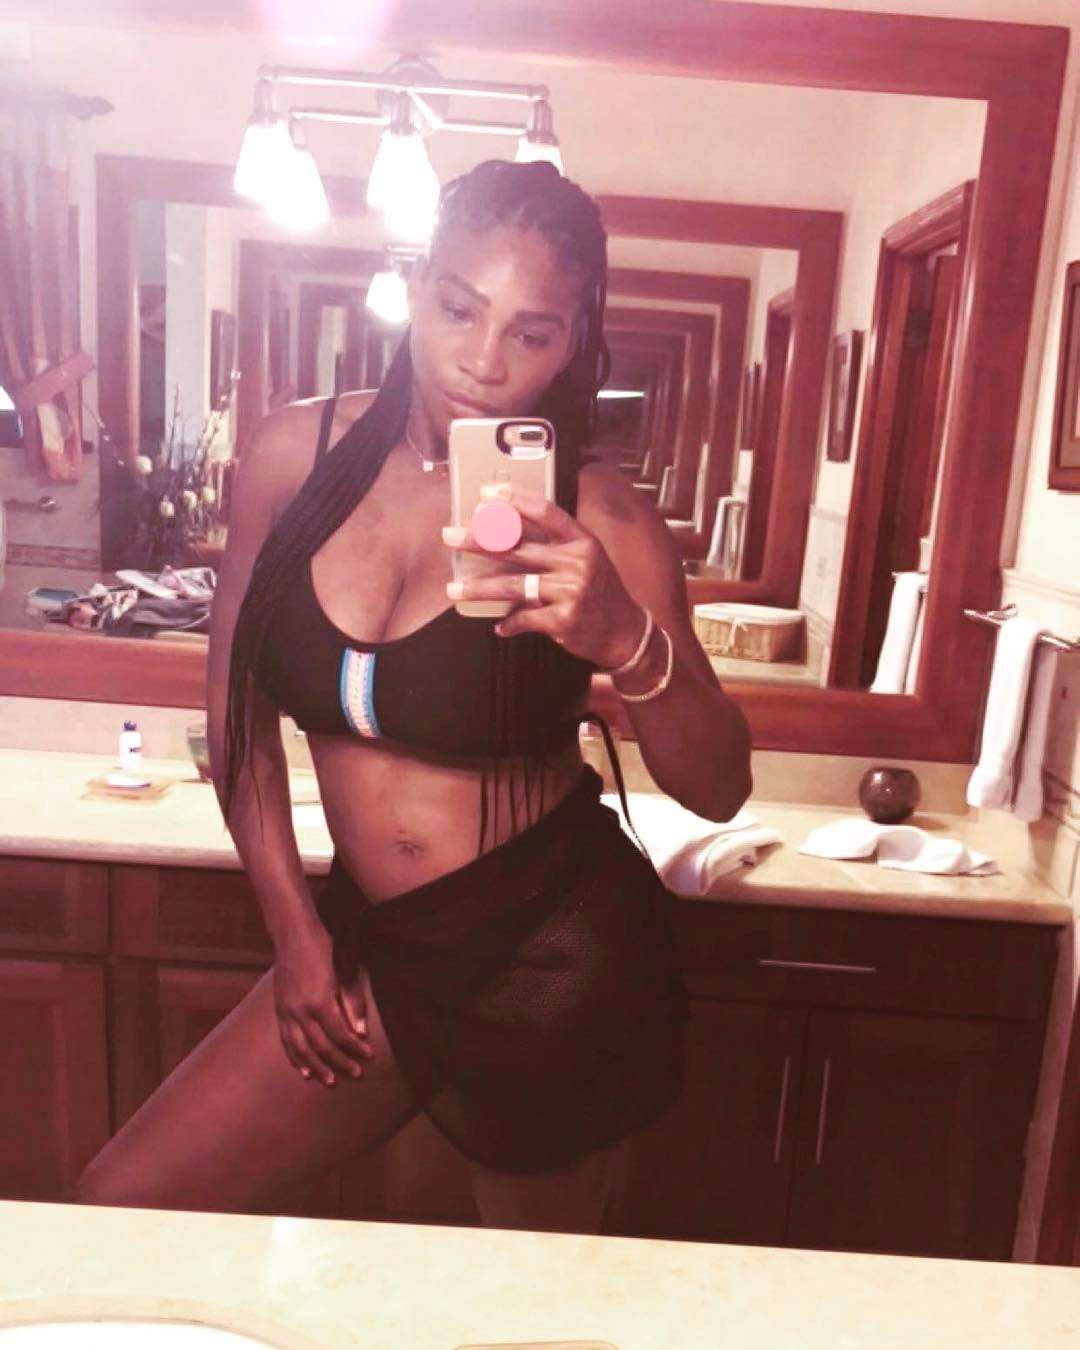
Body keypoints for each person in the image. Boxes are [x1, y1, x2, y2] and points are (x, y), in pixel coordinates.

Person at [73, 159, 751, 1233]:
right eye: (459, 310)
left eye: (532, 333)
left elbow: (717, 786)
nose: (483, 361)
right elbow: (239, 719)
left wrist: (625, 637)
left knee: (514, 1309)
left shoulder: (600, 517)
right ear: (416, 285)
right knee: (121, 1208)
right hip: (370, 943)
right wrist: (295, 934)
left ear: (576, 340)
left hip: (548, 958)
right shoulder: (293, 457)